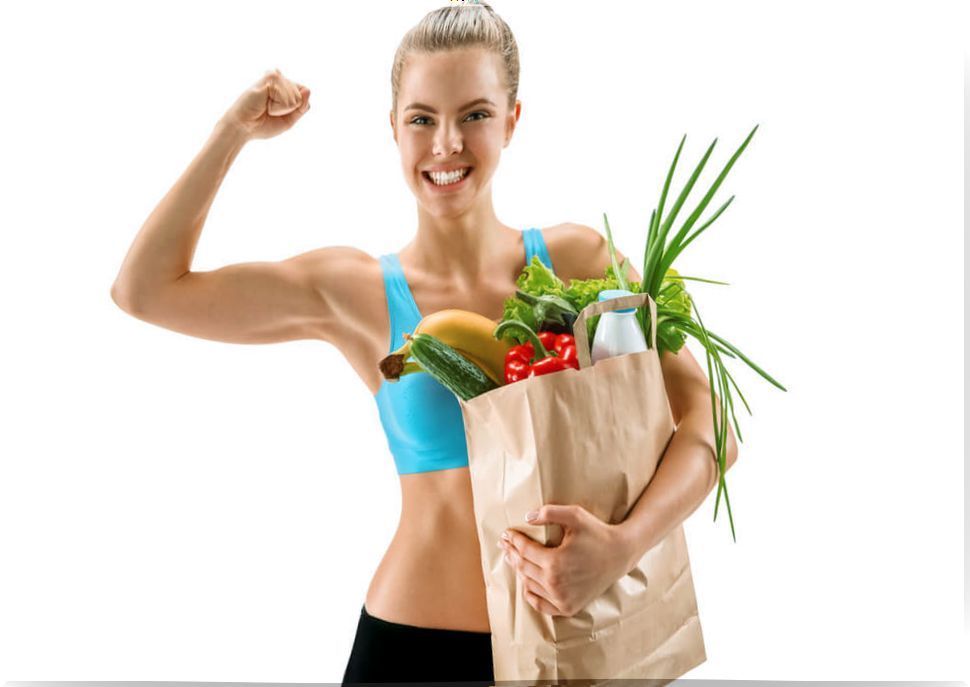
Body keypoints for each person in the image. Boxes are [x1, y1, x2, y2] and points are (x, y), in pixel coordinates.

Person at [111, 3, 735, 684]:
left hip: (574, 640)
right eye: (421, 119)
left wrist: (622, 547)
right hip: (410, 646)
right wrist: (232, 133)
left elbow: (714, 420)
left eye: (474, 114)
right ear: (393, 128)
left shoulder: (580, 262)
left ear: (513, 119)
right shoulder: (353, 289)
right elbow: (144, 290)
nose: (446, 145)